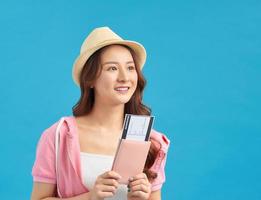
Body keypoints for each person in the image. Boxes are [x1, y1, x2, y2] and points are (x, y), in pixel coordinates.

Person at [30, 27, 170, 200]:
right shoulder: (59, 136)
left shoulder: (152, 142)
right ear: (89, 79)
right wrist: (90, 197)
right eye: (112, 68)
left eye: (130, 68)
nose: (125, 77)